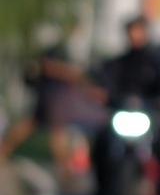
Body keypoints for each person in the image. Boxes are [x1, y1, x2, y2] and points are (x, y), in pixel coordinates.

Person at [96, 16, 160, 195]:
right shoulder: (119, 62)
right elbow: (104, 82)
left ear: (145, 33)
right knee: (101, 140)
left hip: (150, 117)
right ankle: (102, 190)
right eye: (131, 32)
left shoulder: (157, 62)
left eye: (138, 31)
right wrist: (101, 93)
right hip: (123, 115)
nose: (134, 36)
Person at [0, 40, 94, 183]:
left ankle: (3, 150)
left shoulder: (62, 50)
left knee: (32, 124)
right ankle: (64, 170)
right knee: (55, 131)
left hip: (52, 97)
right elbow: (49, 66)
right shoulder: (57, 52)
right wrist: (73, 74)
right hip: (52, 97)